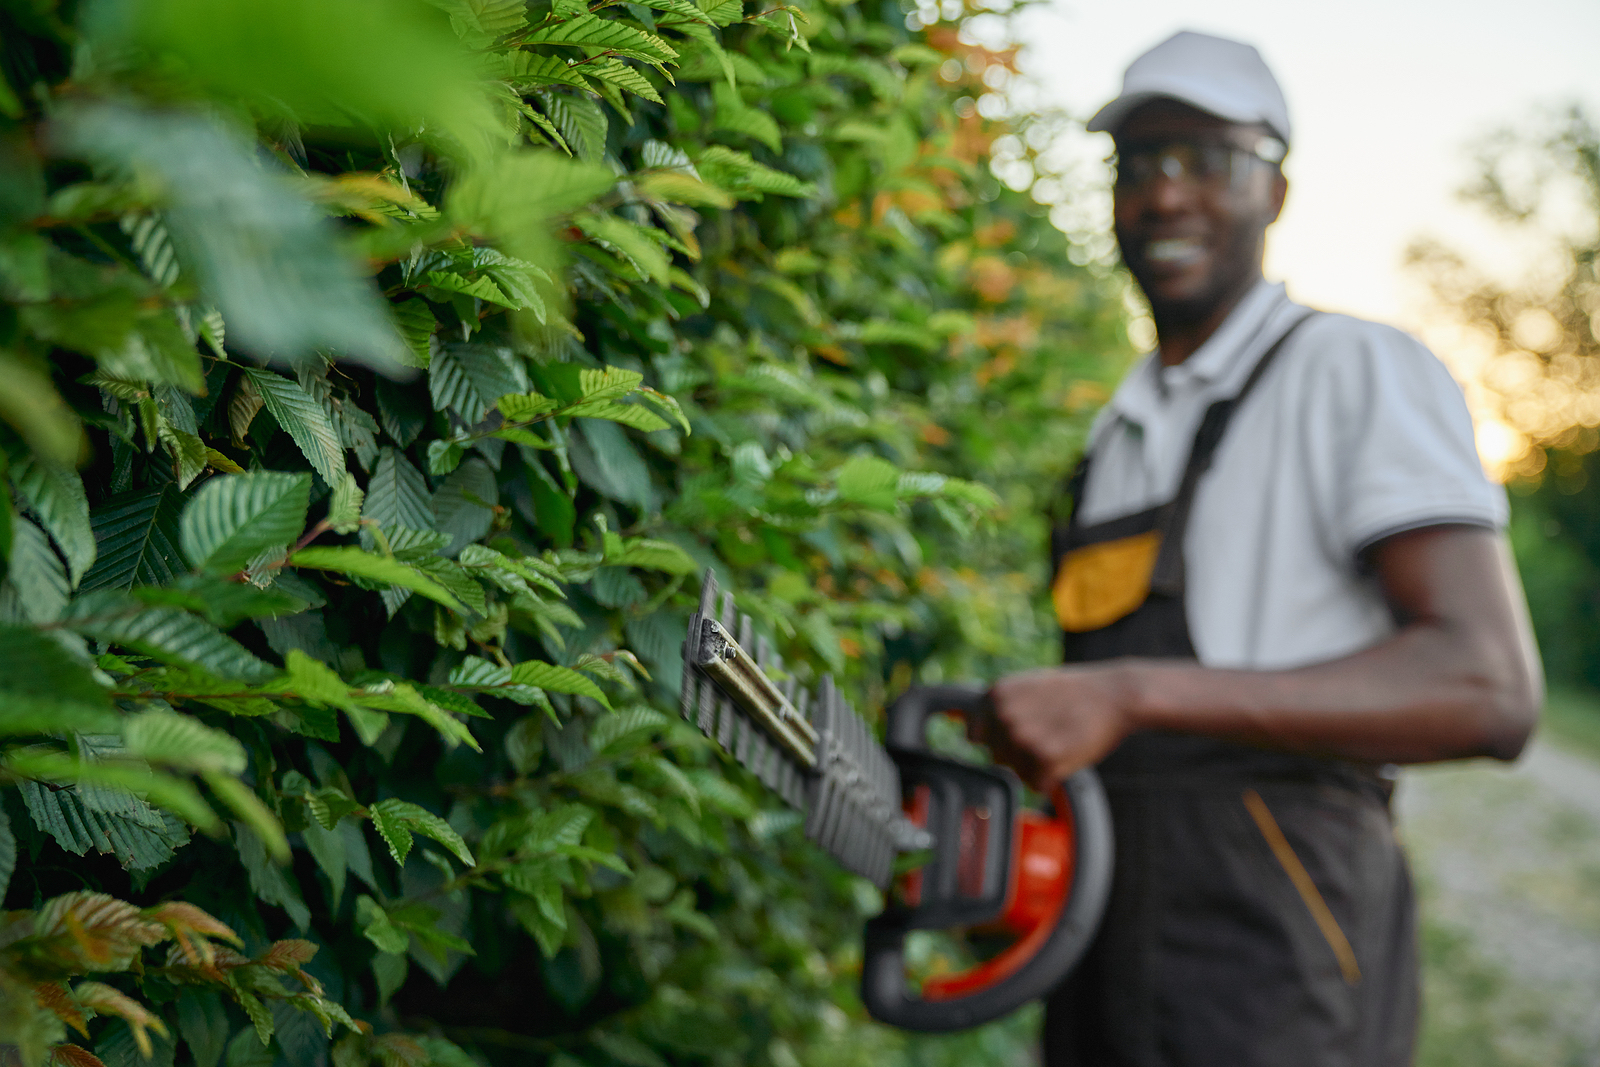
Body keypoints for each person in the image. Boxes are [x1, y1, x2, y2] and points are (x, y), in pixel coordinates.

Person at [979, 30, 1544, 1067]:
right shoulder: (1114, 433)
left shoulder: (1346, 370)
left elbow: (1486, 687)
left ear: (1274, 191)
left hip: (1277, 949)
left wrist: (1132, 694)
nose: (1165, 195)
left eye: (1208, 158)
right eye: (1138, 163)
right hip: (1099, 949)